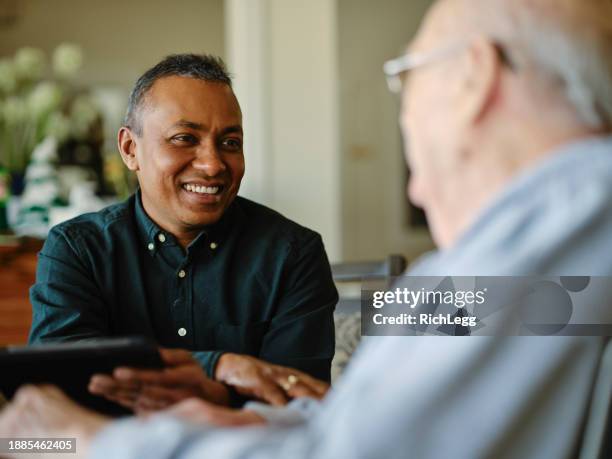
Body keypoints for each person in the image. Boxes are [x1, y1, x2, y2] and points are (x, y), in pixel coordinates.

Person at [1, 0, 611, 457]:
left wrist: (89, 442)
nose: (416, 188)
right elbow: (344, 423)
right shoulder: (542, 267)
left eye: (404, 86)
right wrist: (236, 400)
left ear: (472, 78)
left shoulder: (537, 244)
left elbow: (341, 449)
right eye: (185, 139)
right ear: (131, 149)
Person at [27, 54, 338, 408]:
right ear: (130, 149)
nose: (213, 164)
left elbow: (295, 401)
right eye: (184, 138)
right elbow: (60, 371)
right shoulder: (76, 248)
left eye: (230, 143)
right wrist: (218, 366)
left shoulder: (293, 253)